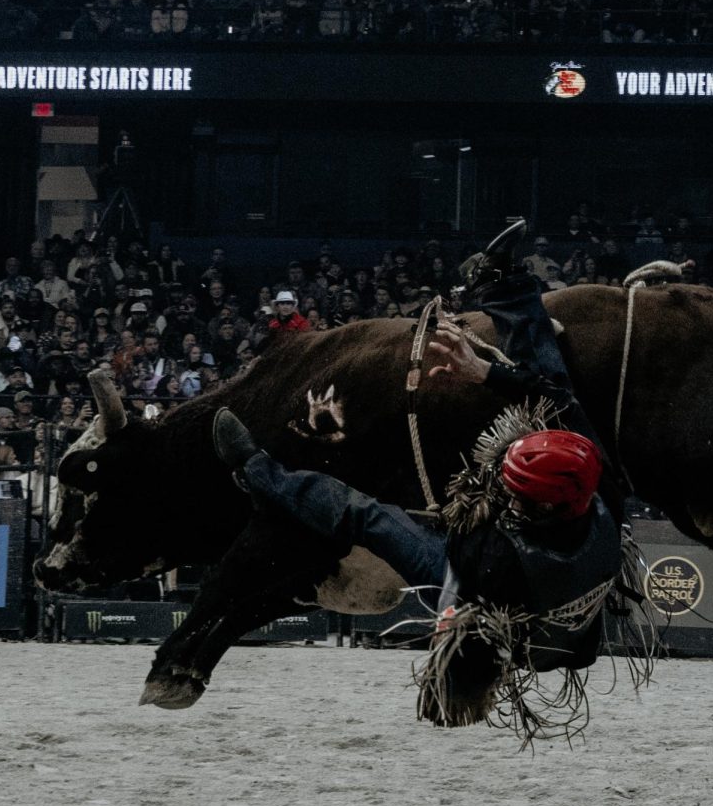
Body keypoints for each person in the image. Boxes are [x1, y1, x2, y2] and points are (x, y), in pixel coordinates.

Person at [213, 221, 631, 734]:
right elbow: (556, 398)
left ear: (537, 510)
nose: (506, 488)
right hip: (562, 601)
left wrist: (453, 625)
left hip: (513, 609)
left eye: (514, 493)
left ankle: (258, 473)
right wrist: (485, 374)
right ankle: (507, 284)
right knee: (553, 387)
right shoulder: (597, 482)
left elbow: (460, 558)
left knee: (365, 515)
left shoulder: (495, 556)